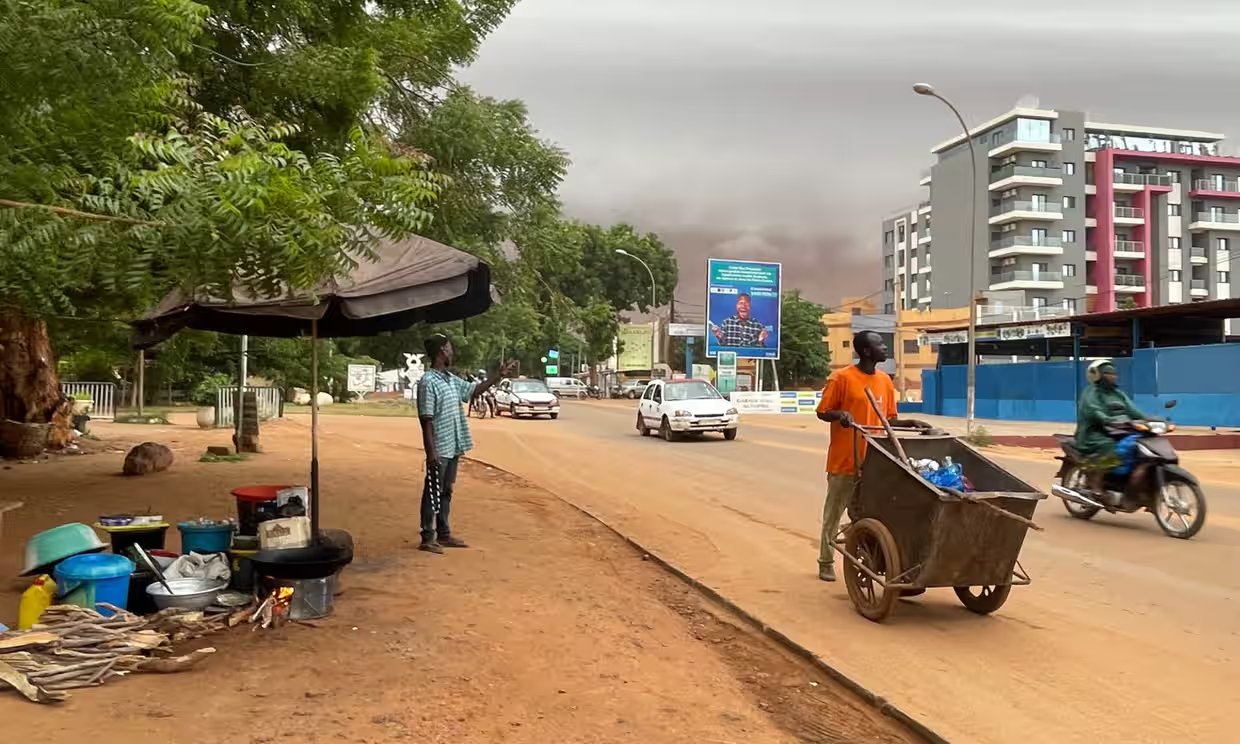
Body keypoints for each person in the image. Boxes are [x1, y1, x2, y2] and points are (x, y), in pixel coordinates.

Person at [814, 331, 929, 582]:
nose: (885, 348)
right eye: (879, 345)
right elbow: (822, 411)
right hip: (845, 460)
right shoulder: (841, 378)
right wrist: (840, 415)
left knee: (871, 515)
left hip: (875, 464)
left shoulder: (885, 381)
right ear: (866, 351)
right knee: (834, 513)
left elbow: (890, 419)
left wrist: (912, 423)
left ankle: (870, 558)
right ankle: (825, 560)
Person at [416, 334, 514, 554]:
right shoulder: (428, 382)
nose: (453, 352)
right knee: (433, 491)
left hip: (453, 445)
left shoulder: (449, 378)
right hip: (439, 447)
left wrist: (497, 376)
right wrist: (431, 453)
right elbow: (426, 419)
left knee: (446, 490)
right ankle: (427, 536)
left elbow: (473, 391)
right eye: (450, 348)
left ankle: (444, 533)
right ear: (442, 351)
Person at [1073, 359, 1147, 501]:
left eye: (1114, 373)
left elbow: (1133, 410)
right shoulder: (1091, 392)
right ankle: (1096, 482)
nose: (1113, 376)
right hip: (1093, 433)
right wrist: (1106, 419)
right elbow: (1093, 410)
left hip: (1117, 430)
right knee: (1110, 446)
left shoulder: (1118, 393)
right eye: (1108, 373)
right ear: (1097, 375)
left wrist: (1148, 419)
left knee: (1139, 444)